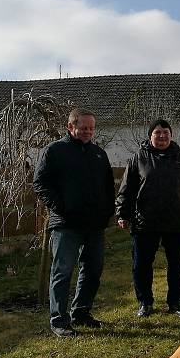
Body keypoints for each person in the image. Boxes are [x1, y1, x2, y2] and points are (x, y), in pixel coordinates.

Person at [32, 108, 115, 338]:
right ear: (70, 127)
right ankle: (59, 320)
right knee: (63, 271)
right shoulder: (55, 151)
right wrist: (61, 207)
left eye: (92, 128)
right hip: (66, 224)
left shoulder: (99, 154)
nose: (88, 132)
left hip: (95, 225)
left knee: (93, 270)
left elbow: (109, 187)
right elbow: (40, 184)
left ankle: (81, 312)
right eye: (84, 127)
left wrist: (107, 212)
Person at [116, 119, 180, 318]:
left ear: (171, 136)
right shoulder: (138, 158)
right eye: (157, 133)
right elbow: (126, 189)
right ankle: (145, 303)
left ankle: (175, 303)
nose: (162, 136)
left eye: (166, 132)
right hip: (145, 222)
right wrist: (122, 213)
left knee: (177, 264)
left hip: (177, 223)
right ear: (150, 136)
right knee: (142, 265)